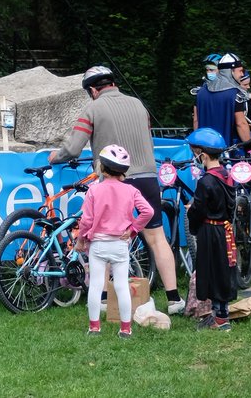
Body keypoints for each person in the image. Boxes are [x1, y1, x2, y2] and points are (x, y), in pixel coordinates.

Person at [50, 65, 184, 314]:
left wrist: (55, 156)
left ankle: (102, 299)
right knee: (157, 238)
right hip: (147, 175)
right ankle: (174, 299)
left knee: (105, 237)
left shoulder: (93, 108)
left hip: (115, 181)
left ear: (92, 89)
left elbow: (73, 149)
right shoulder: (138, 105)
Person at [76, 144, 153, 339]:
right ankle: (125, 328)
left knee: (95, 285)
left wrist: (81, 240)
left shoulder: (94, 190)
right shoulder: (131, 190)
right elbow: (148, 211)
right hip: (120, 243)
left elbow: (86, 220)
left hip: (98, 245)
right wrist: (133, 229)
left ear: (102, 167)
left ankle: (94, 327)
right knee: (120, 286)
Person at [185, 127, 237, 331]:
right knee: (223, 271)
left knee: (213, 272)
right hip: (224, 229)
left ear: (203, 155)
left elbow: (199, 209)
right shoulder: (227, 175)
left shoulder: (206, 181)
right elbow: (231, 205)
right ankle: (220, 314)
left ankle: (220, 320)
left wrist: (192, 213)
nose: (195, 157)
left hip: (210, 231)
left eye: (195, 153)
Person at [193, 53, 251, 156]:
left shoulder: (200, 93)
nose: (242, 74)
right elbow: (240, 123)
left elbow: (196, 120)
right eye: (240, 71)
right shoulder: (235, 95)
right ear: (231, 72)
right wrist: (249, 147)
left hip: (204, 150)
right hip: (228, 151)